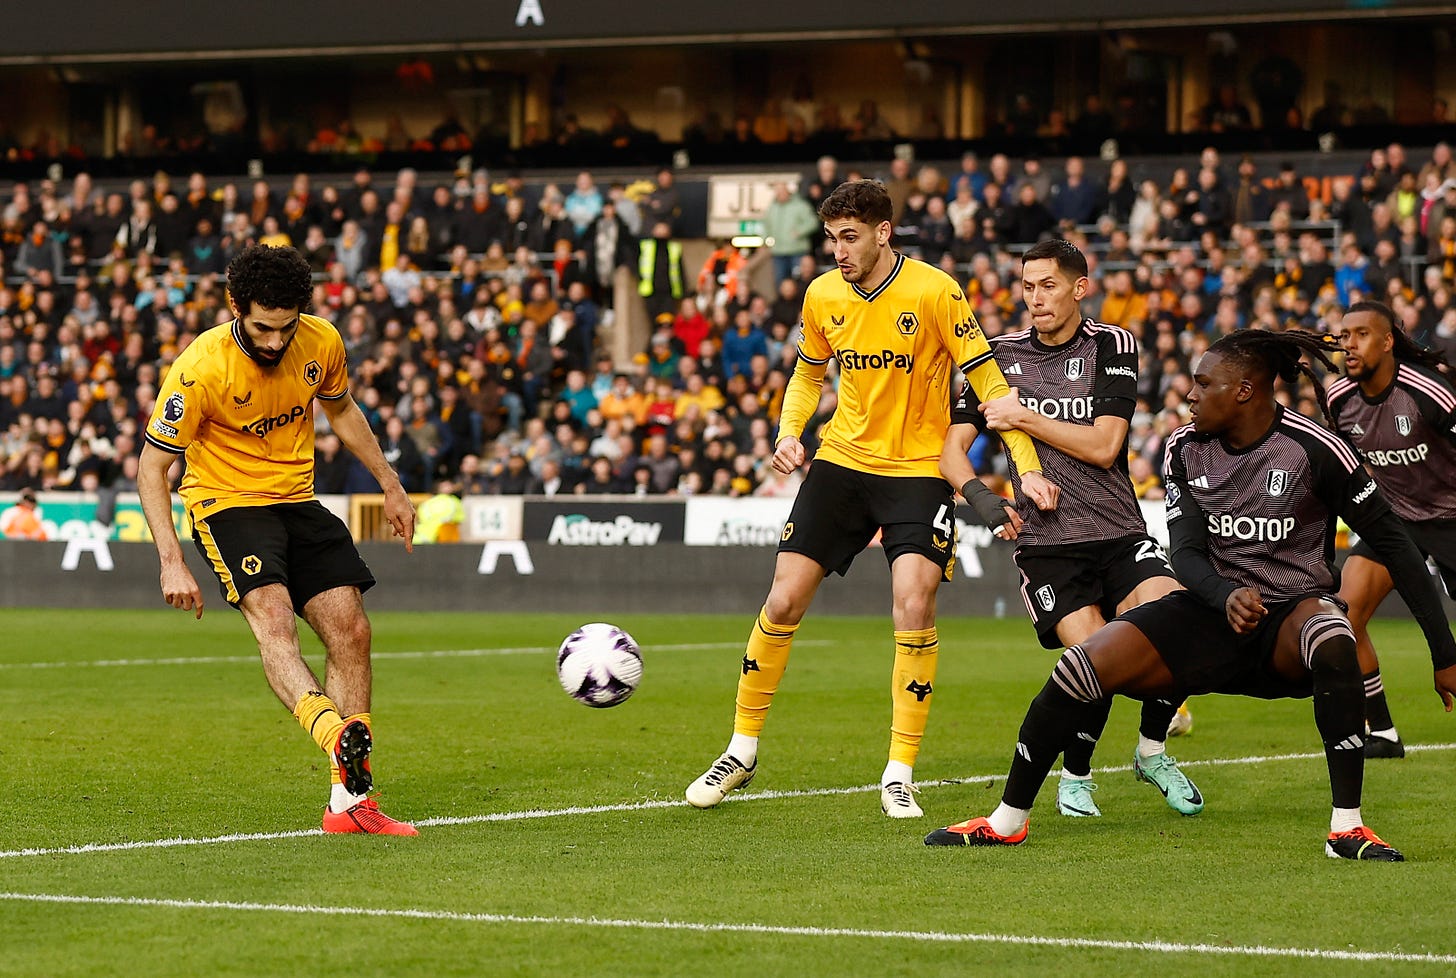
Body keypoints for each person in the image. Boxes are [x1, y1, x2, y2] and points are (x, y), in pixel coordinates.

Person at [927, 329, 1456, 860]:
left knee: (1332, 630)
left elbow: (1397, 545)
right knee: (1082, 664)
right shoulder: (1184, 446)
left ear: (1244, 391)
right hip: (1210, 612)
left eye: (1205, 385)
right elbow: (1185, 553)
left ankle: (1347, 828)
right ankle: (1008, 820)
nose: (1190, 395)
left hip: (1287, 625)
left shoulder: (1315, 449)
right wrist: (1224, 595)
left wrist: (1444, 652)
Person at [685, 180, 1057, 819]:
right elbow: (808, 373)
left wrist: (1026, 468)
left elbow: (989, 382)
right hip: (842, 462)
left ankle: (898, 772)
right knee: (782, 599)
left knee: (913, 603)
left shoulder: (935, 291)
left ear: (884, 233)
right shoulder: (822, 294)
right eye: (832, 238)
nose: (839, 251)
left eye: (850, 237)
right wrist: (789, 432)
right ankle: (740, 750)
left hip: (918, 470)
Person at [137, 244, 418, 836]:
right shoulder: (199, 368)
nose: (274, 341)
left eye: (286, 327)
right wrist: (170, 561)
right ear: (235, 306)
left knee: (352, 630)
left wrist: (391, 485)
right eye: (263, 327)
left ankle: (350, 806)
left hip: (297, 500)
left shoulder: (321, 341)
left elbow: (343, 411)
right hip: (227, 504)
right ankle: (337, 735)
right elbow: (151, 467)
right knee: (274, 618)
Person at [942, 238, 1197, 822]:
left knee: (1179, 624)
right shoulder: (996, 357)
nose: (1035, 298)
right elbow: (951, 454)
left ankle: (1151, 750)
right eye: (1027, 287)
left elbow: (1106, 445)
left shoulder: (1113, 344)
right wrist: (986, 502)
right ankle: (1076, 778)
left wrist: (1023, 415)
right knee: (1097, 659)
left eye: (1048, 286)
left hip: (1119, 533)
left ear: (1080, 288)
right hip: (1049, 547)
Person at [1328, 301, 1456, 758]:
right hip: (1396, 519)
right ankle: (1381, 732)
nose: (1349, 345)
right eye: (1344, 336)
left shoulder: (1428, 392)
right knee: (1343, 616)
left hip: (1452, 517)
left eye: (1361, 334)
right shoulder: (1338, 400)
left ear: (1387, 342)